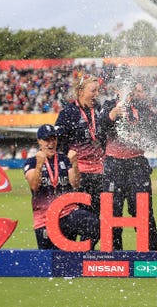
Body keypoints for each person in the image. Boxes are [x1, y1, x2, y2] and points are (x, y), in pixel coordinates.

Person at [98, 76, 157, 250]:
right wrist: (112, 115)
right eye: (124, 89)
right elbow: (100, 128)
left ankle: (150, 253)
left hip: (137, 163)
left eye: (132, 89)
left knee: (142, 209)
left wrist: (141, 136)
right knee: (112, 210)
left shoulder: (143, 108)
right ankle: (114, 254)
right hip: (114, 163)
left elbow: (153, 131)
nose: (129, 93)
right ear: (117, 90)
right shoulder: (109, 105)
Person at [23, 124, 99, 250]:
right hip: (45, 219)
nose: (51, 143)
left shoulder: (64, 159)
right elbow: (34, 186)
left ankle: (82, 256)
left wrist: (74, 164)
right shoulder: (31, 162)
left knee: (94, 224)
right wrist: (39, 165)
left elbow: (75, 184)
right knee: (50, 262)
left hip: (68, 214)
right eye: (47, 140)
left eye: (54, 139)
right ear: (39, 141)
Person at [54, 73, 105, 217]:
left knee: (98, 220)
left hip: (100, 173)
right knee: (78, 217)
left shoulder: (100, 110)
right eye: (93, 90)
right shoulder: (69, 112)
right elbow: (58, 141)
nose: (96, 94)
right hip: (78, 174)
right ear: (81, 92)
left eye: (98, 90)